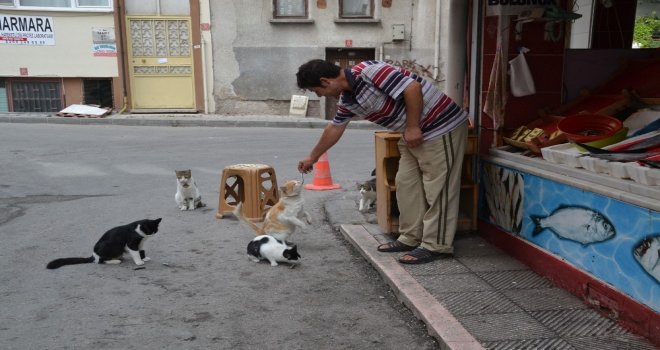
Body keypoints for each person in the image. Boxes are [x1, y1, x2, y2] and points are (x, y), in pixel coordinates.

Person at [296, 59, 469, 264]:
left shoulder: (369, 71)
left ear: (325, 81)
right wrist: (312, 157)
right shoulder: (348, 99)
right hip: (412, 136)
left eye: (316, 91)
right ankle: (410, 237)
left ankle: (437, 245)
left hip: (441, 127)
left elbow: (412, 88)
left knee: (439, 189)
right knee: (406, 186)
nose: (320, 95)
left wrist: (413, 126)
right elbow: (335, 127)